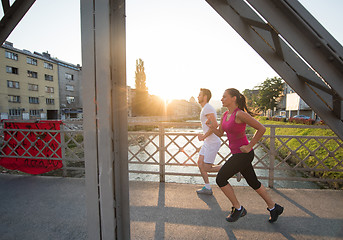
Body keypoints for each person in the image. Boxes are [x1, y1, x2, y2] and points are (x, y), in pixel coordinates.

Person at [206, 88, 284, 223]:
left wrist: (249, 146)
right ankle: (274, 208)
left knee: (221, 179)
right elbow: (220, 133)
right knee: (254, 182)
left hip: (243, 154)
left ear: (233, 98)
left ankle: (238, 208)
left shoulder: (240, 114)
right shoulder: (225, 115)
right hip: (237, 154)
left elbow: (261, 128)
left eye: (224, 97)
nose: (221, 99)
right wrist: (211, 126)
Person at [195, 88, 222, 195]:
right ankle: (207, 187)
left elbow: (215, 125)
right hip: (208, 142)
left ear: (205, 97)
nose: (197, 96)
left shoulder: (208, 108)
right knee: (200, 163)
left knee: (206, 167)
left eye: (199, 95)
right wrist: (204, 137)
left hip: (212, 142)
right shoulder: (206, 108)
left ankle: (232, 169)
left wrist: (203, 136)